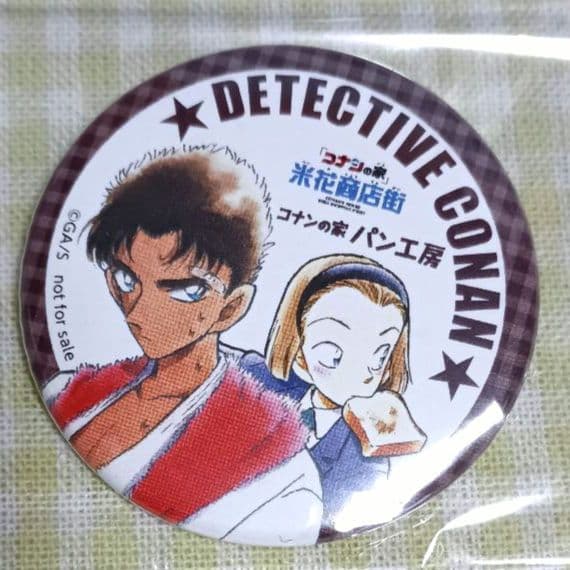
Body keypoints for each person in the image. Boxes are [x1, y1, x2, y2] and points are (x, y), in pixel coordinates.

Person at [42, 146, 323, 546]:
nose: (139, 311)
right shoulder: (69, 390)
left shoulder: (279, 473)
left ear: (231, 308)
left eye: (184, 290)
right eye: (125, 279)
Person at [242, 254, 424, 536]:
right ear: (298, 341)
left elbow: (324, 520)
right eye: (332, 352)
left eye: (379, 356)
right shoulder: (255, 377)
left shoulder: (363, 460)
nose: (359, 372)